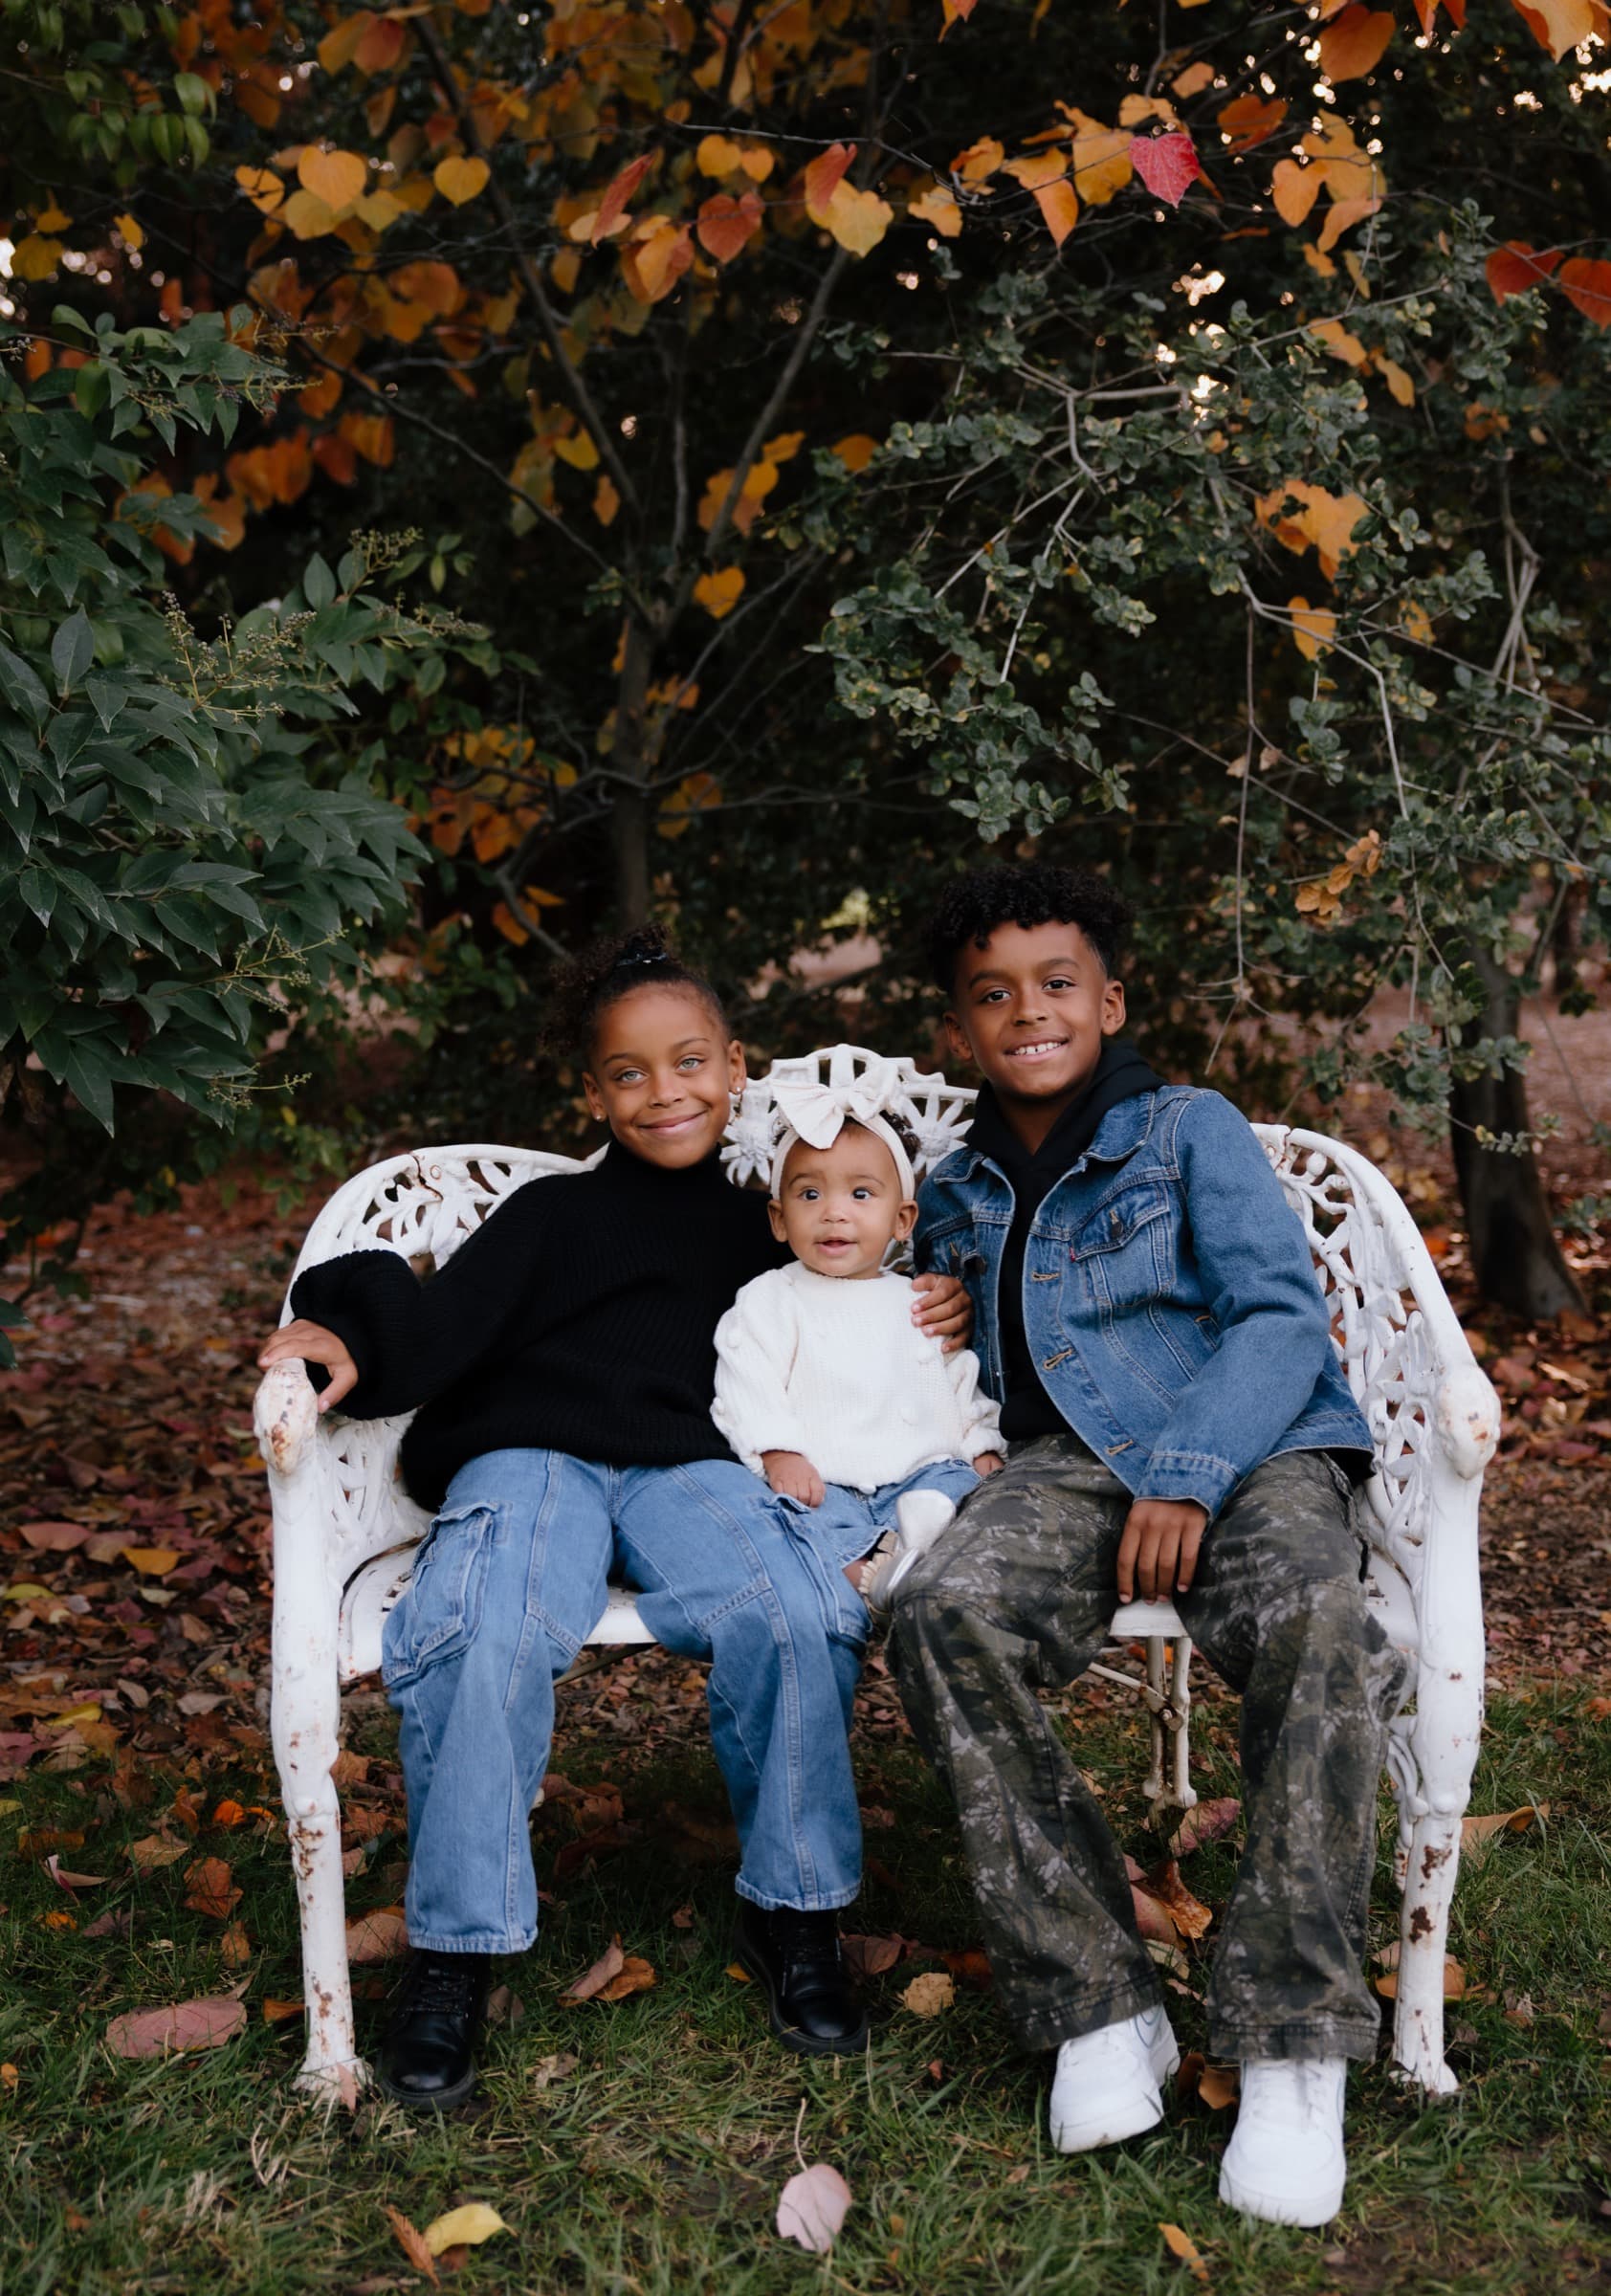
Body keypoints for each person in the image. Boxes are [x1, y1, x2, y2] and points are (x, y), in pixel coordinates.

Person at [257, 926, 972, 2103]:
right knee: (482, 1625)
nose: (662, 1092)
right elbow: (431, 1324)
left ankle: (795, 1915)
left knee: (792, 1611)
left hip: (693, 1466)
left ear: (734, 1065)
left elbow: (869, 1278)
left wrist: (933, 1291)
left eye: (687, 1062)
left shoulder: (776, 1211)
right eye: (628, 1073)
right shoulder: (554, 1216)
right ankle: (455, 1952)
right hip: (532, 1458)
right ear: (591, 1092)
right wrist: (341, 1316)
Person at [889, 861, 1407, 2230]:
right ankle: (1100, 2000)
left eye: (1058, 985)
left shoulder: (1188, 1130)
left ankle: (1295, 2037)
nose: (1029, 1014)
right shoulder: (956, 1182)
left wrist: (1187, 1470)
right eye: (992, 997)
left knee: (1317, 1621)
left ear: (1109, 1001)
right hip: (1065, 1472)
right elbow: (925, 1324)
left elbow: (1281, 1318)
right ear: (959, 1031)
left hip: (1251, 1442)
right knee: (942, 1613)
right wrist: (924, 1303)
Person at [711, 1055, 1005, 1623]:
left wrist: (982, 1445)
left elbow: (958, 1382)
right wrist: (778, 1449)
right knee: (786, 1513)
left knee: (970, 1489)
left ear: (902, 1220)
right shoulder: (772, 1298)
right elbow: (746, 1380)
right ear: (778, 1218)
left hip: (919, 1470)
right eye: (810, 1196)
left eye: (861, 1195)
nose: (834, 1214)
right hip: (824, 1478)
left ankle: (926, 1545)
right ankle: (873, 1570)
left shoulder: (918, 1300)